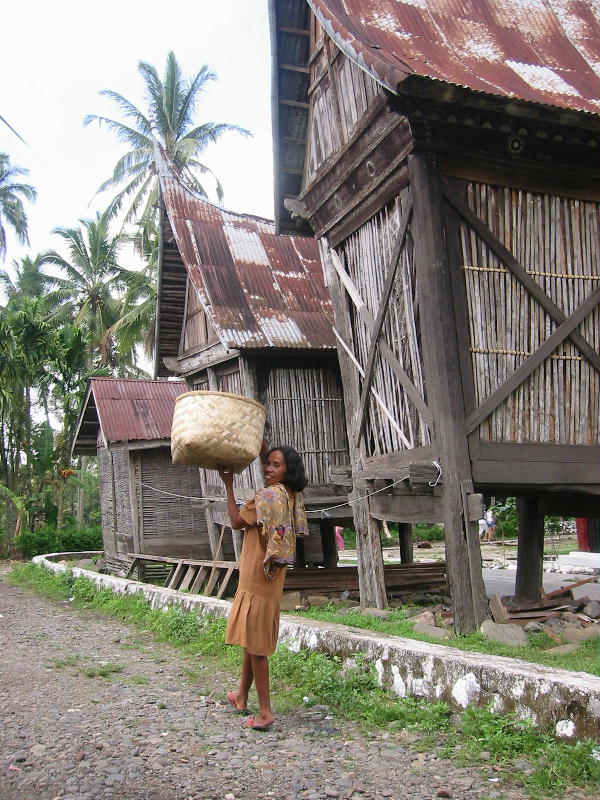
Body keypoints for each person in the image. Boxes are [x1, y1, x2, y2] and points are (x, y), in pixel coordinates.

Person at [218, 444, 308, 731]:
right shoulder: (291, 496)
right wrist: (263, 445)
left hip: (257, 576)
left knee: (256, 646)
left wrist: (229, 485)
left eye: (276, 465)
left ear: (287, 470)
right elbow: (276, 460)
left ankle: (266, 712)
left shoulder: (268, 497)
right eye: (268, 463)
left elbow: (235, 522)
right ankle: (241, 696)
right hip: (271, 579)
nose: (269, 468)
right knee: (253, 638)